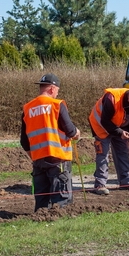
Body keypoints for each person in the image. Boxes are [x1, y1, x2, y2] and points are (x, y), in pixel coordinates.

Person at [20, 73, 81, 211]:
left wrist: (34, 156)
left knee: (42, 200)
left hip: (38, 160)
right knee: (62, 201)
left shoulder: (27, 108)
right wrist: (77, 133)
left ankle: (41, 220)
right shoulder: (57, 105)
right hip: (58, 158)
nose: (57, 94)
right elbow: (70, 131)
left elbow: (24, 141)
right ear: (53, 89)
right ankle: (61, 223)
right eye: (57, 91)